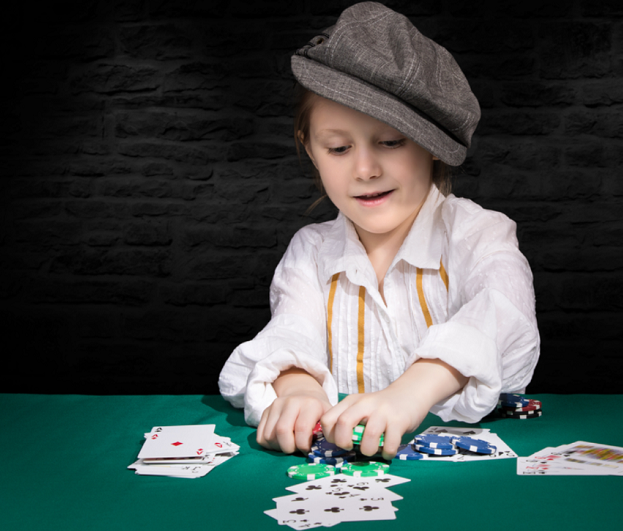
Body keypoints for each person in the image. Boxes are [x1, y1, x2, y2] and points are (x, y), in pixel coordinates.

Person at [218, 2, 540, 461]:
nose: (365, 169)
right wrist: (298, 388)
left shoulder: (480, 233)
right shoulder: (310, 251)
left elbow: (503, 316)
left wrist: (411, 393)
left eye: (390, 142)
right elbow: (291, 332)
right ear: (309, 148)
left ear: (433, 146)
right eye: (338, 147)